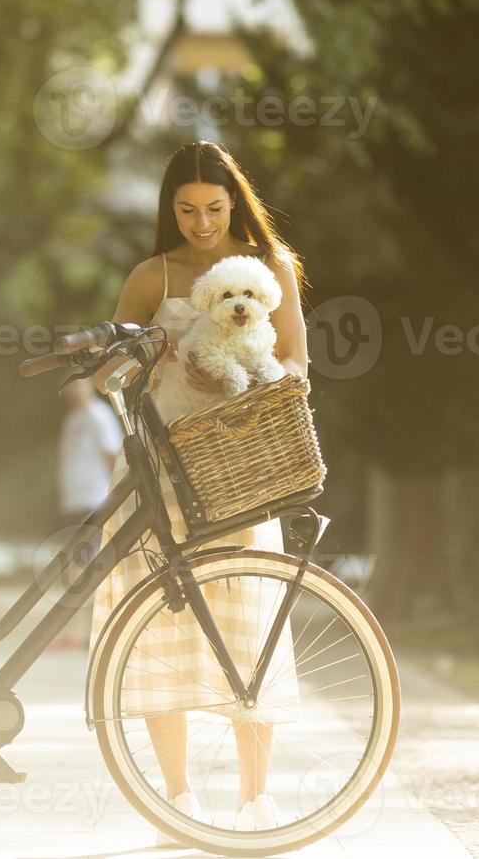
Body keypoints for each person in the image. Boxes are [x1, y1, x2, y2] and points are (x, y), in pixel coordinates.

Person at [88, 140, 310, 838]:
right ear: (170, 210)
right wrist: (156, 364)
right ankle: (177, 799)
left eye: (214, 208)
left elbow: (298, 358)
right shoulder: (153, 274)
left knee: (248, 623)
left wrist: (253, 385)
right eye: (186, 210)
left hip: (241, 466)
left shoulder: (268, 267)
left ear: (235, 202)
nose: (202, 223)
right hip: (160, 469)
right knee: (158, 623)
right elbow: (105, 375)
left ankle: (255, 799)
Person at [53, 377, 124, 647]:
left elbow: (111, 455)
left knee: (86, 567)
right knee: (75, 566)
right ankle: (79, 632)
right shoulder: (73, 419)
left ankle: (89, 632)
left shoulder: (99, 415)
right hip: (74, 501)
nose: (74, 388)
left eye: (79, 382)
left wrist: (115, 496)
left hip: (95, 500)